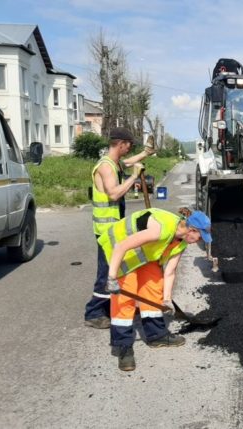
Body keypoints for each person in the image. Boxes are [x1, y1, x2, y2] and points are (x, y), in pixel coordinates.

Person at [100, 207, 213, 371]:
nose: (199, 241)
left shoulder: (181, 243)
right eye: (200, 237)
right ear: (192, 229)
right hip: (120, 250)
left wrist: (167, 300)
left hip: (144, 253)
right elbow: (120, 246)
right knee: (126, 298)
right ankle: (122, 346)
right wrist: (111, 278)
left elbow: (170, 272)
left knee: (154, 286)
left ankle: (156, 335)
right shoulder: (161, 229)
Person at [84, 128, 154, 329]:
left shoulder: (114, 163)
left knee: (119, 268)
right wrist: (133, 178)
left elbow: (128, 162)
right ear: (121, 143)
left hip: (114, 228)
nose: (130, 148)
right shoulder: (106, 167)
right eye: (129, 145)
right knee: (107, 271)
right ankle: (94, 313)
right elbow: (114, 194)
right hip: (106, 230)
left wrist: (146, 153)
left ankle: (114, 305)